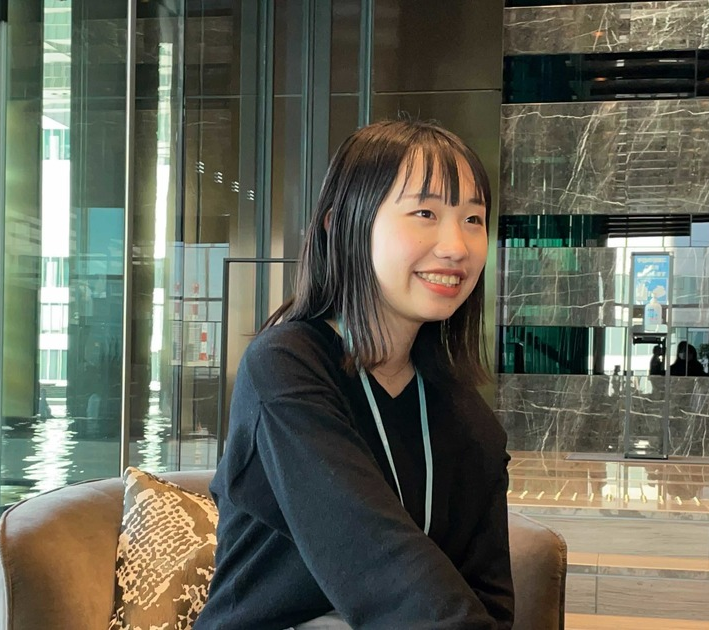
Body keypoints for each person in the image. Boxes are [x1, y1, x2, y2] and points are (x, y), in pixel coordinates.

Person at [196, 120, 513, 630]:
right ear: (341, 225)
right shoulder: (286, 366)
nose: (457, 246)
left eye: (473, 219)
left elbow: (489, 599)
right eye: (425, 213)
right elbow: (368, 551)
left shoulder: (468, 418)